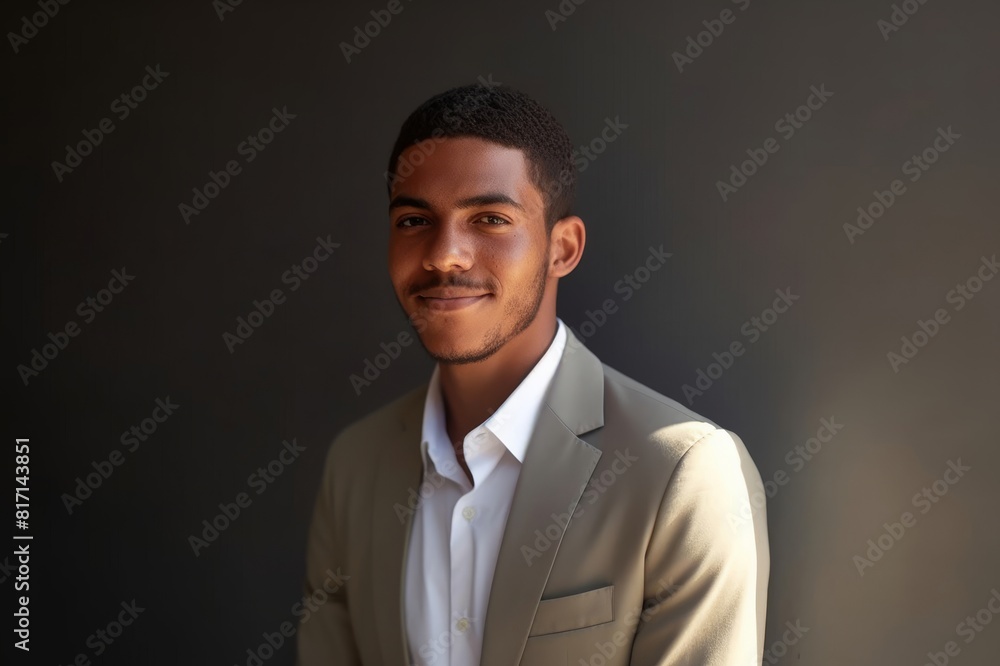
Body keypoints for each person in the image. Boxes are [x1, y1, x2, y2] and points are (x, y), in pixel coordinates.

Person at [296, 82, 769, 666]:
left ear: (562, 248)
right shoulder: (355, 465)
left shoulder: (683, 471)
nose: (445, 254)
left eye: (490, 218)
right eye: (415, 220)